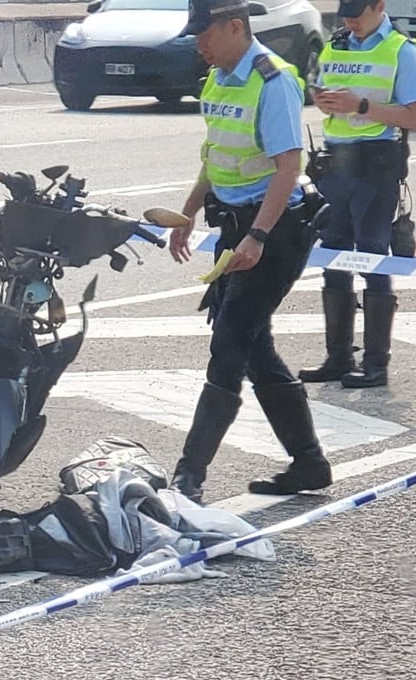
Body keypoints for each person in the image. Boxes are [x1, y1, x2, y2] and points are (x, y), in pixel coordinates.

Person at [166, 0, 332, 502]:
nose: (199, 44)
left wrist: (257, 237)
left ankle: (188, 476)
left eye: (206, 34)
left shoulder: (272, 79)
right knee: (255, 349)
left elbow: (287, 167)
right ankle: (309, 463)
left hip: (275, 230)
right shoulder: (217, 78)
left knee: (232, 341)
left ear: (235, 27)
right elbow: (214, 155)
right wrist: (189, 210)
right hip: (236, 224)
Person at [298, 0, 416, 388]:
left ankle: (376, 365)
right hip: (337, 164)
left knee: (371, 255)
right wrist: (324, 101)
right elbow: (323, 90)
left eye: (357, 12)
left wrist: (361, 105)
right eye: (344, 11)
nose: (349, 19)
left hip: (375, 166)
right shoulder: (337, 43)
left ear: (380, 6)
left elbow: (413, 116)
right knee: (333, 255)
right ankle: (337, 358)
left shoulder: (402, 51)